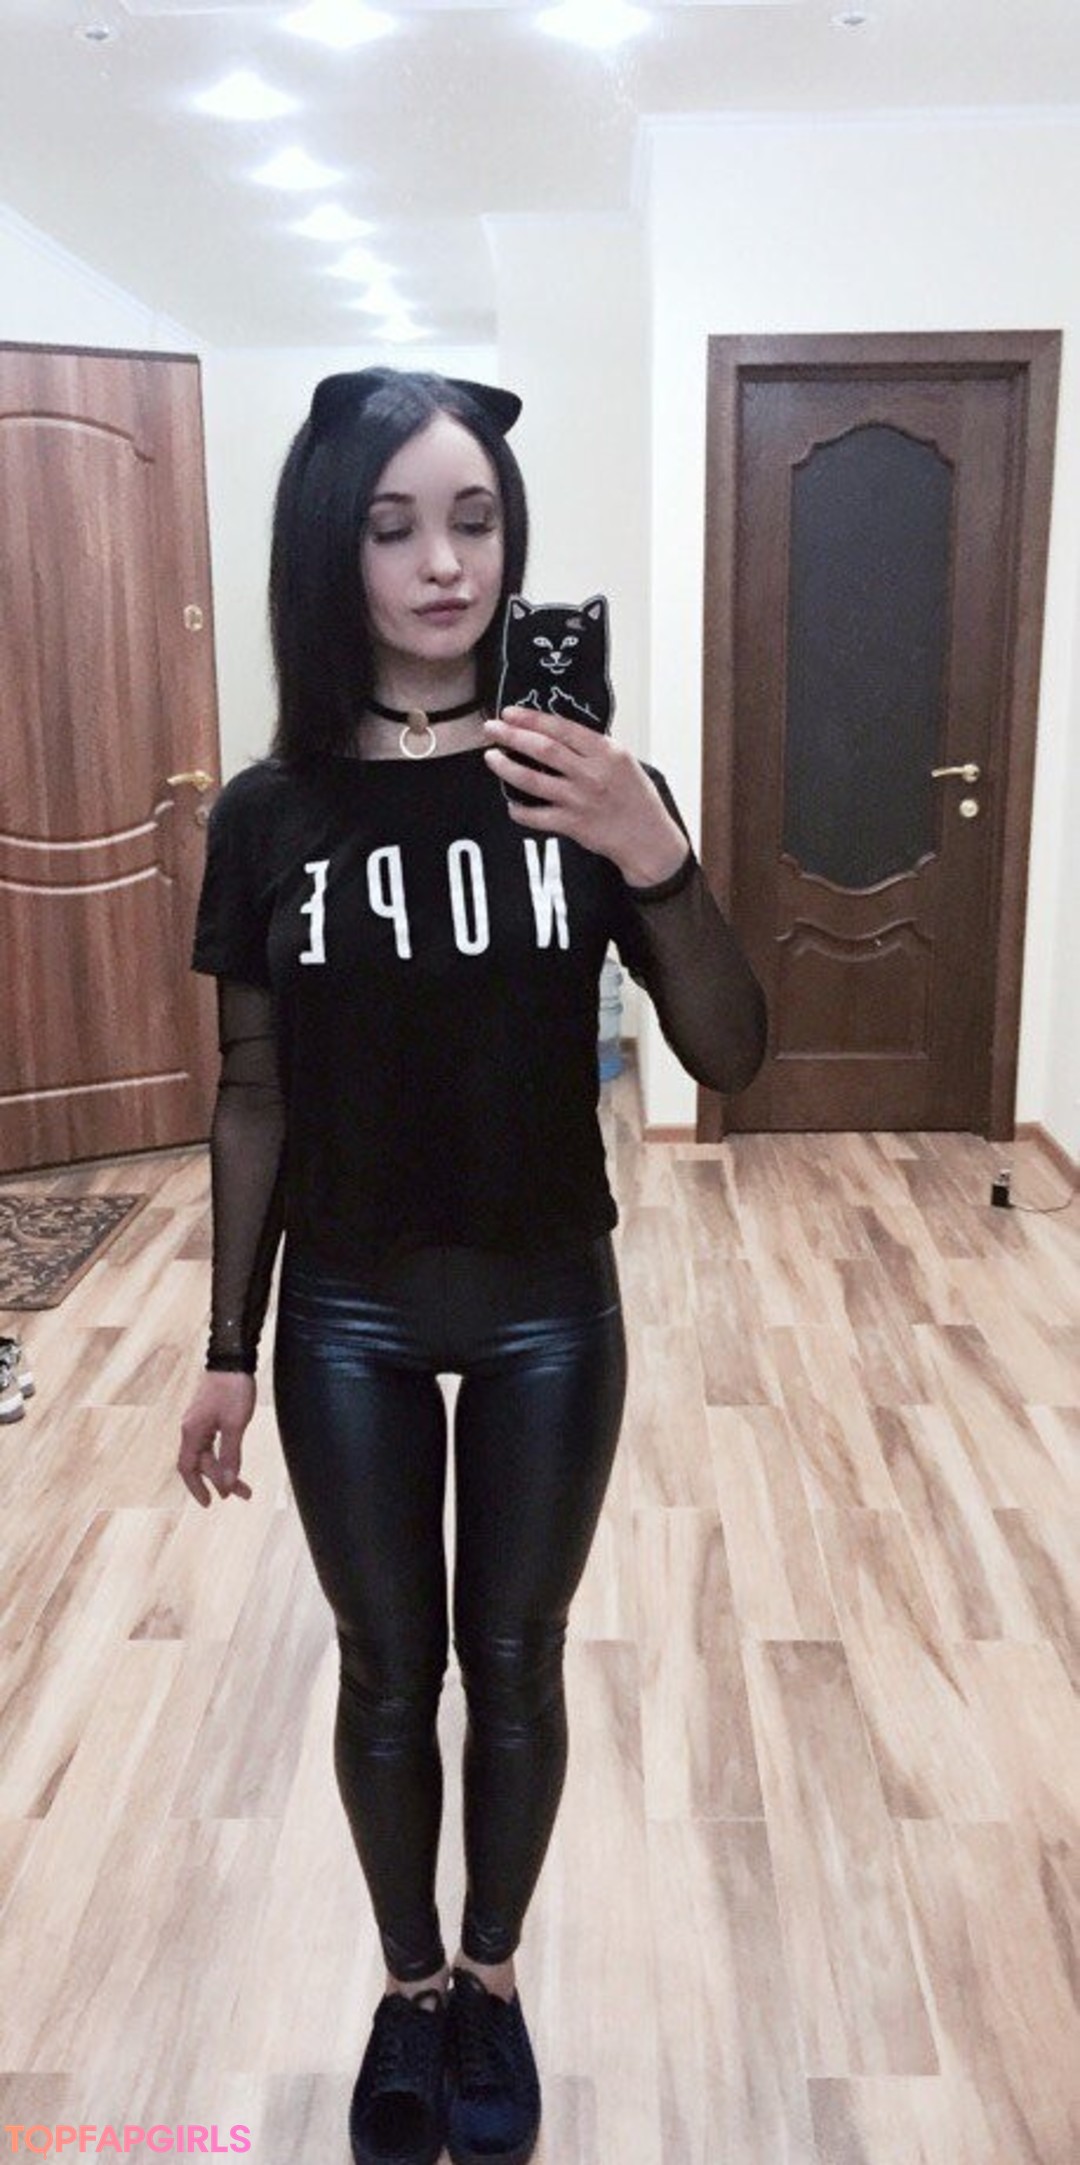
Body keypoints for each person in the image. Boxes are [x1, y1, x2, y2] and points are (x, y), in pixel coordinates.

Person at [177, 367, 765, 2165]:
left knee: (513, 1661)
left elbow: (732, 1051)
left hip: (543, 1303)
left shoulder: (578, 784)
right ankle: (409, 1986)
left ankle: (494, 1984)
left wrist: (654, 852)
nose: (445, 563)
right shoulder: (269, 814)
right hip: (348, 1308)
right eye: (395, 525)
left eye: (476, 519)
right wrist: (226, 1341)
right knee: (385, 1667)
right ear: (332, 549)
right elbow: (254, 1091)